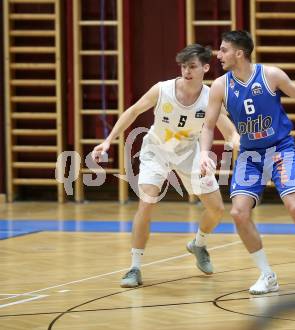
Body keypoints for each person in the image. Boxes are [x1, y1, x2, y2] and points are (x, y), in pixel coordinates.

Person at [200, 30, 295, 295]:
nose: (219, 55)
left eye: (224, 50)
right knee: (238, 213)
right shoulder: (220, 85)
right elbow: (208, 126)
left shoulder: (271, 75)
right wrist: (203, 154)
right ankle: (267, 275)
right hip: (249, 156)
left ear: (239, 53)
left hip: (280, 150)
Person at [92, 44, 240, 288]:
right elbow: (133, 111)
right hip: (156, 150)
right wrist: (108, 141)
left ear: (205, 68)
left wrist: (239, 144)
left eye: (192, 66)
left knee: (216, 210)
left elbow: (228, 131)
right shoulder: (162, 90)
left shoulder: (210, 97)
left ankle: (199, 244)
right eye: (183, 66)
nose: (187, 71)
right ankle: (134, 267)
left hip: (189, 153)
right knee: (146, 202)